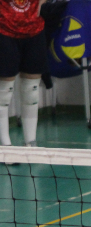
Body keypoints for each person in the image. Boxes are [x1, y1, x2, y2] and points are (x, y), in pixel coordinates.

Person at [0, 0, 47, 148]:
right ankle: (5, 144)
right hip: (4, 29)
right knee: (3, 91)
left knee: (31, 90)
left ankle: (31, 142)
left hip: (34, 30)